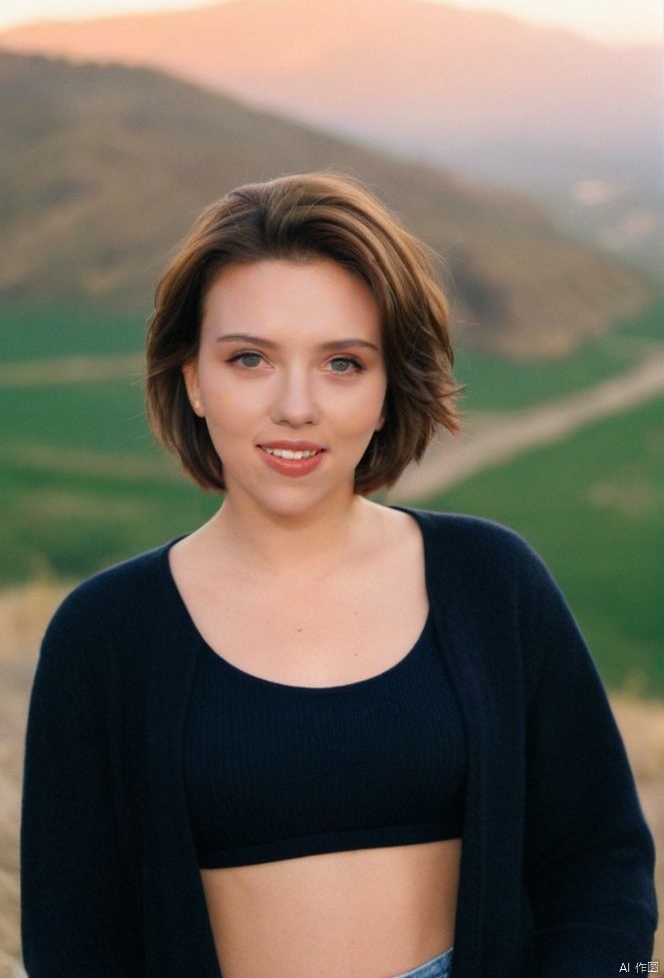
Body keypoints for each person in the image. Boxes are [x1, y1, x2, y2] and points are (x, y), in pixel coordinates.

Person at [21, 172, 656, 978]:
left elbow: (601, 865)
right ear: (192, 378)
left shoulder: (492, 582)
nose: (296, 406)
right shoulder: (104, 633)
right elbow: (73, 939)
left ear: (391, 387)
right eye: (249, 358)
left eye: (343, 364)